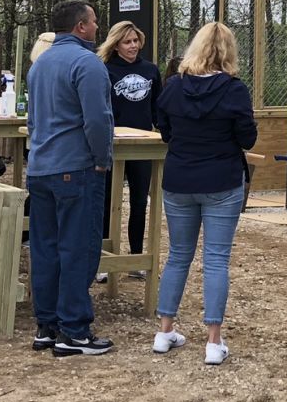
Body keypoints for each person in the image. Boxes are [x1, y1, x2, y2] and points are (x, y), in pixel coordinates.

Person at [152, 22, 257, 367]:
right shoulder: (234, 90)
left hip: (180, 178)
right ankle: (213, 341)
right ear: (229, 51)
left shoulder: (173, 87)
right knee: (215, 259)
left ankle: (164, 330)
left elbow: (164, 130)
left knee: (177, 255)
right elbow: (248, 138)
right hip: (221, 179)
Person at [26, 0, 116, 357]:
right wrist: (101, 158)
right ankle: (75, 331)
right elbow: (98, 119)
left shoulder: (40, 64)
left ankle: (47, 325)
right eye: (94, 21)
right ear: (81, 26)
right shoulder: (87, 63)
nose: (97, 27)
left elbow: (34, 119)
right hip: (76, 167)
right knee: (78, 248)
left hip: (41, 166)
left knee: (45, 248)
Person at [98, 20, 162, 268]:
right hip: (112, 143)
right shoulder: (104, 69)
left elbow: (157, 106)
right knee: (107, 201)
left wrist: (163, 131)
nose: (133, 46)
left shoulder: (150, 70)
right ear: (116, 45)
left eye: (136, 41)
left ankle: (136, 256)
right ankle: (104, 257)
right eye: (127, 42)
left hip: (143, 143)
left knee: (139, 201)